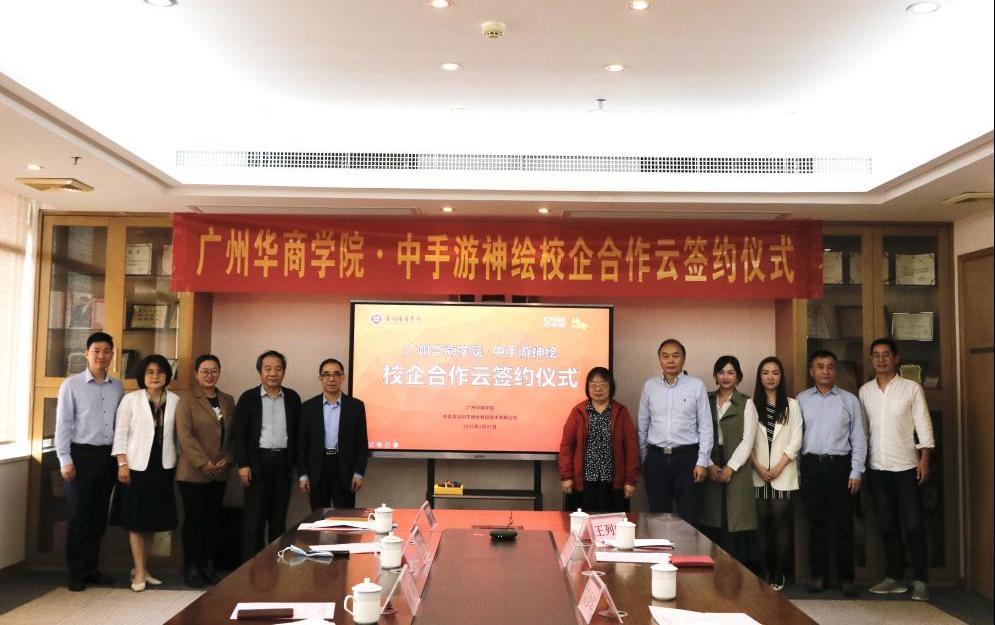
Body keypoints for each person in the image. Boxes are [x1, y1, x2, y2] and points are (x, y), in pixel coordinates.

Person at [860, 338, 935, 601]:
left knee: (914, 524)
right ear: (871, 359)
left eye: (886, 355)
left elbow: (923, 424)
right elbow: (863, 430)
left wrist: (924, 458)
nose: (881, 359)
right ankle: (894, 577)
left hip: (906, 466)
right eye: (876, 355)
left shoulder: (911, 388)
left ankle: (921, 580)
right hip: (877, 467)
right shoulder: (865, 391)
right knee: (887, 524)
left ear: (896, 358)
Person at [54, 331, 124, 592]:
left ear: (112, 355)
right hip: (80, 456)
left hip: (107, 458)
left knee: (98, 516)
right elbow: (63, 425)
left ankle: (92, 568)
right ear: (87, 353)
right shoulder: (71, 385)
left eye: (106, 351)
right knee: (78, 515)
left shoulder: (117, 386)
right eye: (96, 351)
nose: (101, 356)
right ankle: (77, 572)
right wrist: (65, 459)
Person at [797, 349, 867, 597]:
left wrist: (856, 471)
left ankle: (846, 578)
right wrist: (798, 472)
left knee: (844, 523)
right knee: (816, 524)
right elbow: (795, 439)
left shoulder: (849, 400)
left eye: (830, 367)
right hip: (811, 466)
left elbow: (859, 438)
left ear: (836, 370)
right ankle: (819, 576)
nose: (825, 371)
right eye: (820, 367)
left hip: (841, 467)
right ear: (811, 371)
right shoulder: (801, 400)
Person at [111, 354, 179, 592]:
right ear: (142, 376)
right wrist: (121, 463)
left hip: (163, 467)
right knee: (137, 521)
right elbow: (120, 433)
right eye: (150, 372)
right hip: (136, 467)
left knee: (151, 521)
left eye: (159, 372)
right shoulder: (131, 400)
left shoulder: (176, 401)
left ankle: (143, 567)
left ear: (167, 375)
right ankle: (139, 571)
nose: (155, 376)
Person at [233, 350, 302, 562]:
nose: (273, 373)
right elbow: (239, 434)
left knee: (278, 519)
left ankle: (275, 566)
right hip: (257, 463)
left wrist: (298, 466)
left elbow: (298, 433)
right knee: (253, 520)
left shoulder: (292, 398)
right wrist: (243, 464)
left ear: (284, 372)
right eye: (268, 369)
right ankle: (250, 569)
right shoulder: (248, 398)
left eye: (278, 369)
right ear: (260, 372)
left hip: (283, 463)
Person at [175, 354, 236, 588]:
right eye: (204, 371)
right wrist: (203, 462)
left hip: (220, 472)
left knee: (212, 521)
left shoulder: (228, 400)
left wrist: (228, 459)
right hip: (193, 472)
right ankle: (191, 567)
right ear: (196, 374)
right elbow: (184, 435)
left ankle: (207, 566)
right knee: (194, 522)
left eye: (214, 371)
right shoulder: (187, 399)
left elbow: (233, 435)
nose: (210, 375)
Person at [637, 339, 713, 522]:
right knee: (657, 516)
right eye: (665, 356)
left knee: (689, 515)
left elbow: (705, 426)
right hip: (656, 459)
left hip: (687, 459)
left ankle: (689, 544)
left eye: (675, 356)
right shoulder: (650, 386)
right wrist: (645, 458)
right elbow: (642, 425)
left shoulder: (696, 386)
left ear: (683, 359)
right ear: (659, 359)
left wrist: (702, 462)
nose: (670, 360)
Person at [749, 356, 802, 591]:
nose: (770, 377)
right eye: (765, 373)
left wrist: (778, 467)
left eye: (775, 372)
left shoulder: (792, 405)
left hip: (783, 471)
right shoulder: (751, 405)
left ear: (781, 377)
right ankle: (763, 572)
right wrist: (759, 467)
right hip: (757, 472)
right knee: (760, 524)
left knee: (780, 524)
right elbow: (746, 441)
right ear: (759, 377)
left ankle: (779, 573)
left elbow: (796, 439)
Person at [700, 356, 758, 565]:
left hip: (737, 464)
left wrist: (730, 468)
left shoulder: (746, 402)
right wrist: (709, 464)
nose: (725, 377)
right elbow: (697, 433)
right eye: (721, 372)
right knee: (711, 517)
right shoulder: (705, 400)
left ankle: (738, 573)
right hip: (711, 461)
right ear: (715, 376)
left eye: (731, 372)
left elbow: (748, 440)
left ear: (738, 377)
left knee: (736, 519)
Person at [559, 367, 640, 513]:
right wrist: (566, 476)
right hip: (583, 483)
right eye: (593, 384)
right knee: (583, 523)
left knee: (612, 523)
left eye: (603, 384)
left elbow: (631, 448)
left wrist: (630, 480)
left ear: (611, 387)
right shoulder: (578, 411)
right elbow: (567, 446)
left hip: (613, 484)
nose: (598, 389)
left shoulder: (621, 412)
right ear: (587, 387)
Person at [298, 358, 370, 511]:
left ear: (343, 378)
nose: (331, 378)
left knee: (345, 516)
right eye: (326, 374)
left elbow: (362, 443)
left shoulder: (356, 407)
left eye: (336, 374)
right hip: (317, 469)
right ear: (320, 378)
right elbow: (302, 444)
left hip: (344, 469)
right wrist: (303, 474)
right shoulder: (308, 407)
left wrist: (358, 473)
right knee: (318, 517)